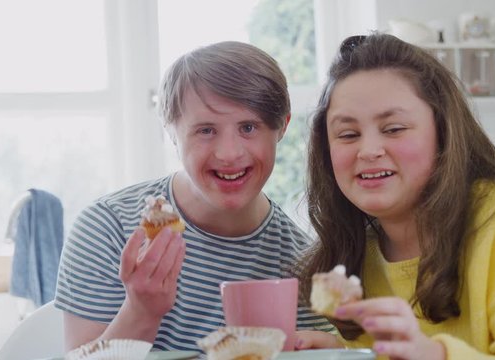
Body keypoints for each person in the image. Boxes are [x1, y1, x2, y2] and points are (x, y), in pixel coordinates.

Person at [296, 33, 495, 359]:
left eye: (394, 128)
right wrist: (347, 353)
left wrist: (436, 355)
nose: (368, 150)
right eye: (347, 134)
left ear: (443, 133)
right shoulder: (360, 253)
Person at [54, 41, 332, 353]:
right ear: (171, 131)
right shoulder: (109, 228)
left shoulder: (302, 262)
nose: (229, 153)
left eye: (249, 127)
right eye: (206, 130)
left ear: (282, 127)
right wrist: (141, 311)